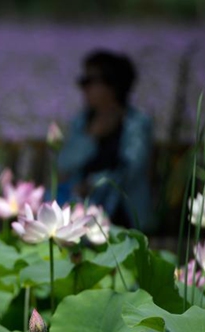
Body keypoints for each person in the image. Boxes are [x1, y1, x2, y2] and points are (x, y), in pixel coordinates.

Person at [56, 50, 153, 230]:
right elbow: (63, 165)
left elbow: (131, 170)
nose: (83, 88)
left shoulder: (137, 124)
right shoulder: (82, 122)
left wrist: (93, 183)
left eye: (88, 82)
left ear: (112, 86)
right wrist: (91, 136)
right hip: (83, 209)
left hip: (123, 214)